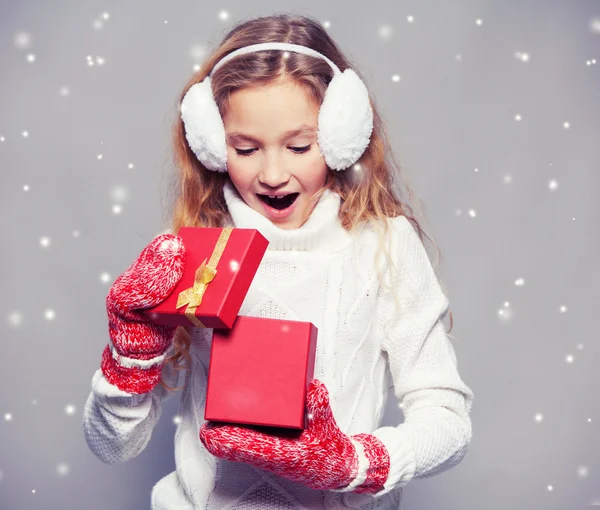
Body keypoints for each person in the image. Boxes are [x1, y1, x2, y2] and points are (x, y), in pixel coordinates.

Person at [82, 13, 474, 510]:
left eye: (299, 146)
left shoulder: (384, 246)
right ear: (211, 144)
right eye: (245, 148)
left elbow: (448, 420)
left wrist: (356, 462)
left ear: (340, 136)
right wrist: (129, 359)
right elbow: (110, 446)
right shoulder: (188, 253)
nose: (272, 173)